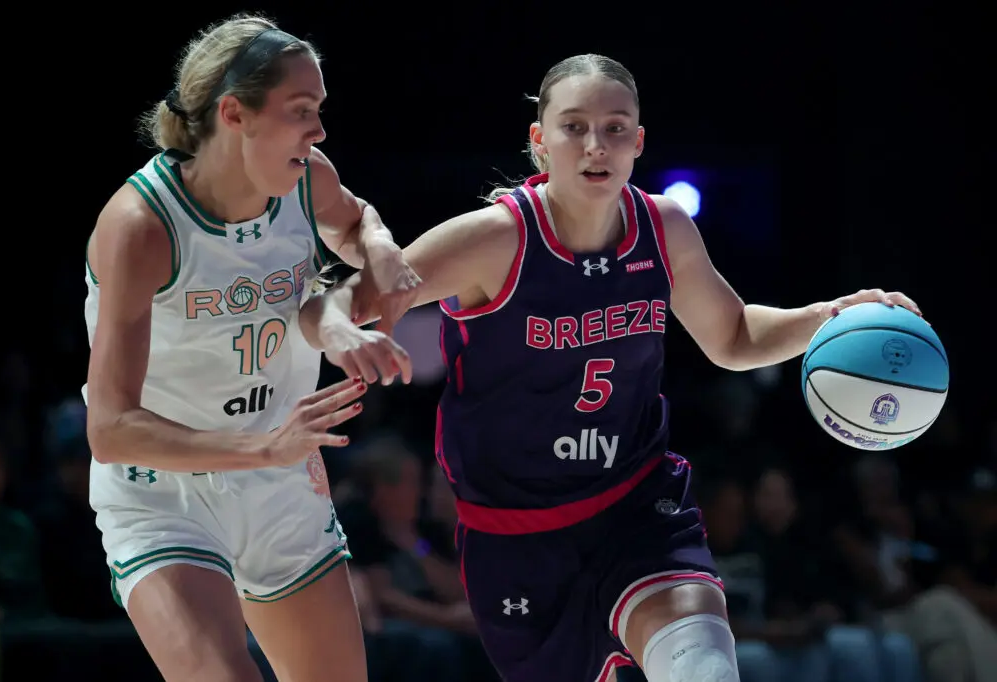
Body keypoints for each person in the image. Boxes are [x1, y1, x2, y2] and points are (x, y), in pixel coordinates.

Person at [300, 53, 922, 682]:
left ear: (638, 141)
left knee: (705, 662)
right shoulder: (495, 238)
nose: (596, 145)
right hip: (516, 534)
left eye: (615, 127)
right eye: (574, 127)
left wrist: (830, 314)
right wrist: (341, 330)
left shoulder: (665, 228)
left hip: (635, 503)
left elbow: (732, 335)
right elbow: (345, 301)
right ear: (539, 139)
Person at [82, 13, 416, 682]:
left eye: (319, 110)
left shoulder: (304, 175)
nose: (319, 130)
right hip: (167, 491)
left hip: (279, 481)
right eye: (301, 111)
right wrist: (265, 446)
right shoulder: (142, 225)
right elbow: (111, 429)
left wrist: (380, 254)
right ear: (235, 114)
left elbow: (355, 220)